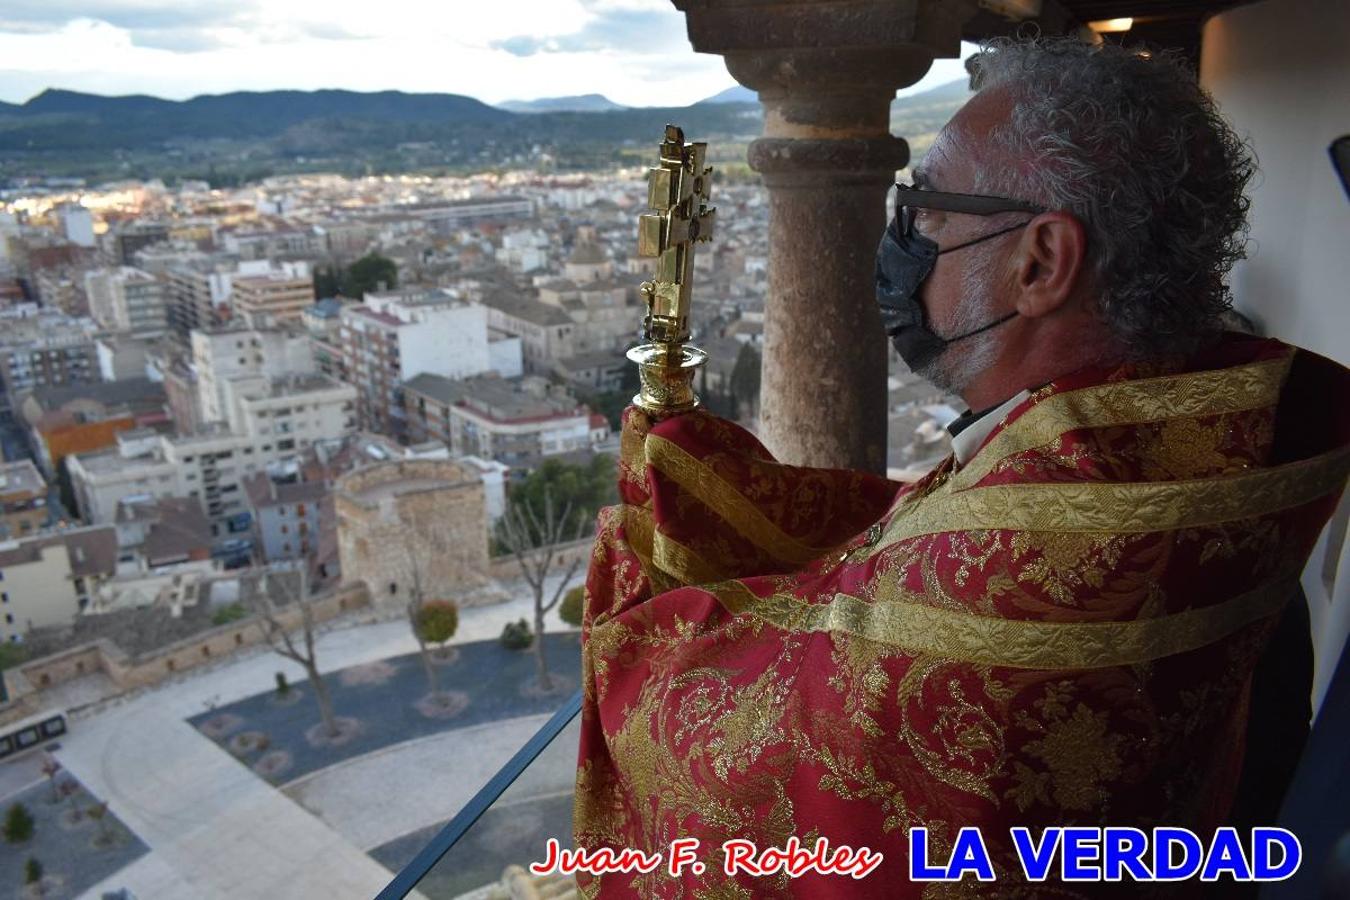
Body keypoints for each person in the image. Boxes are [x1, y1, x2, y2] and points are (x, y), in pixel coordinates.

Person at [572, 36, 1350, 897]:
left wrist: (633, 596)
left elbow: (740, 748)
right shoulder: (1162, 445)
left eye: (928, 212)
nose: (901, 238)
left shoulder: (1047, 550)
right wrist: (708, 486)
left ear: (1041, 262)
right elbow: (931, 530)